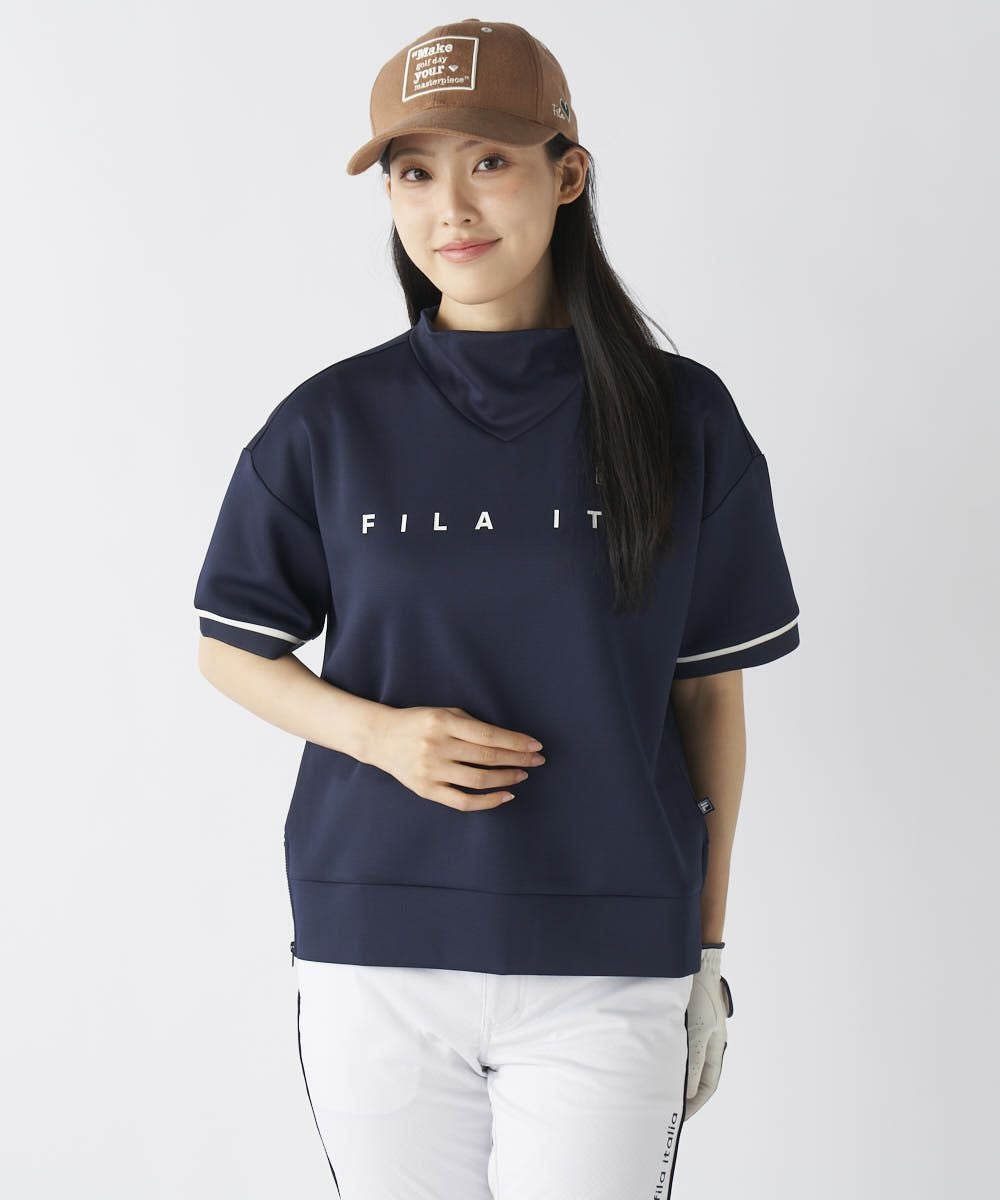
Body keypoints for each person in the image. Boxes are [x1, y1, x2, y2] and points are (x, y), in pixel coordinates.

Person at [193, 18, 800, 1199]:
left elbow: (707, 700)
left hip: (608, 956)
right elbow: (231, 647)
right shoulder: (331, 423)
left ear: (566, 175)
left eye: (488, 161)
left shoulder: (683, 420)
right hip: (377, 947)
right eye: (413, 173)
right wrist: (378, 735)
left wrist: (705, 949)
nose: (450, 208)